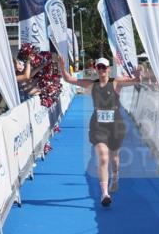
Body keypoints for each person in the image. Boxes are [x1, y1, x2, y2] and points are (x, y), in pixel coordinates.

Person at [60, 55, 140, 207]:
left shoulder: (116, 83)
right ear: (96, 69)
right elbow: (69, 79)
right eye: (99, 67)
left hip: (115, 125)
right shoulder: (92, 85)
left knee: (114, 158)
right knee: (103, 157)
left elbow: (136, 81)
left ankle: (115, 177)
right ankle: (104, 193)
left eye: (104, 67)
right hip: (98, 126)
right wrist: (62, 67)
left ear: (109, 69)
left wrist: (137, 76)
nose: (102, 70)